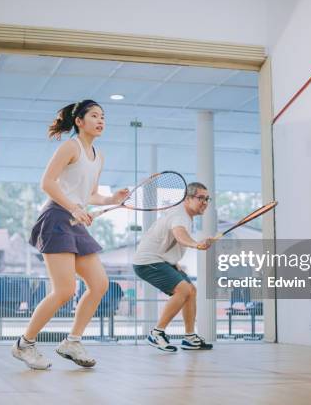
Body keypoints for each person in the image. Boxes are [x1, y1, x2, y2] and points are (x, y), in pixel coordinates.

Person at [11, 99, 128, 369]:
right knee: (64, 290)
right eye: (95, 116)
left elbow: (90, 195)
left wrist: (112, 197)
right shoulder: (69, 146)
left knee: (99, 285)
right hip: (56, 218)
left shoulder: (99, 155)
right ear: (79, 121)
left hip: (76, 221)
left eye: (103, 117)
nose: (101, 121)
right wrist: (75, 207)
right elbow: (47, 183)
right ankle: (24, 344)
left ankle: (72, 342)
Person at [133, 182, 214, 352]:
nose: (205, 202)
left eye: (207, 199)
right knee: (184, 290)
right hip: (148, 262)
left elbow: (168, 240)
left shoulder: (181, 214)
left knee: (191, 291)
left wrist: (173, 262)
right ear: (187, 199)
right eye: (200, 198)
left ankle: (190, 338)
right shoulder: (180, 216)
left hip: (162, 260)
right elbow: (180, 235)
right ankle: (156, 333)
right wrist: (196, 244)